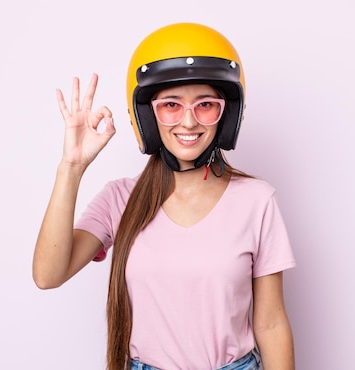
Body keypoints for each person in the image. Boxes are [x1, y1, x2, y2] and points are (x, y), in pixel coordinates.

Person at [33, 22, 296, 370]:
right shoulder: (120, 199)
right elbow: (48, 275)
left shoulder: (256, 200)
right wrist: (71, 166)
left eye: (205, 105)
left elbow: (271, 323)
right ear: (147, 115)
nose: (188, 122)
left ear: (226, 114)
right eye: (171, 105)